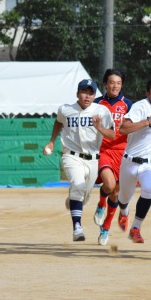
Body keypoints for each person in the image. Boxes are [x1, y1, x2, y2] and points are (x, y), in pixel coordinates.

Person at [44, 79, 115, 242]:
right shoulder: (66, 109)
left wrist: (99, 128)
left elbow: (112, 134)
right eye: (84, 92)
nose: (87, 96)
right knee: (78, 185)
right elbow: (58, 121)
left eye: (91, 93)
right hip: (71, 156)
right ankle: (77, 228)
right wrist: (52, 141)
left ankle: (74, 199)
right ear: (77, 94)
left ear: (94, 95)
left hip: (93, 160)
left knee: (84, 196)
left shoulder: (101, 111)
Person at [111, 76, 151, 245]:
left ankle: (136, 228)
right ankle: (124, 212)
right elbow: (123, 128)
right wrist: (148, 121)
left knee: (148, 190)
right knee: (124, 197)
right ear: (148, 93)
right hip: (130, 162)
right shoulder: (140, 107)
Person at [91, 69, 133, 244]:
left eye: (118, 83)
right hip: (104, 150)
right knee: (108, 184)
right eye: (111, 82)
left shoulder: (128, 105)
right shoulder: (96, 103)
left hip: (123, 152)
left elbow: (134, 127)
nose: (115, 86)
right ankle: (101, 204)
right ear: (105, 84)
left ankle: (106, 228)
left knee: (115, 193)